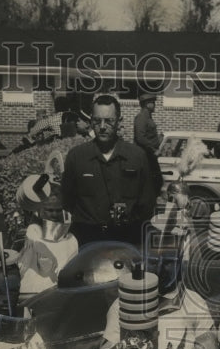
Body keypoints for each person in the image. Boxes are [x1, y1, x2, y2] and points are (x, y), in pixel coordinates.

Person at [62, 94, 156, 246]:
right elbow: (67, 201)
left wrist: (129, 216)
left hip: (126, 240)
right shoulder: (77, 157)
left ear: (119, 121)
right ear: (91, 121)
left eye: (109, 121)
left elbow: (147, 204)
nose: (103, 126)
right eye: (97, 121)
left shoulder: (137, 157)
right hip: (87, 241)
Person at [15, 174, 79, 301]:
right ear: (39, 210)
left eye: (58, 210)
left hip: (61, 295)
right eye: (49, 210)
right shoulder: (32, 234)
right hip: (32, 292)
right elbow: (21, 268)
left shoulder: (71, 239)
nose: (54, 214)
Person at [133, 92, 164, 196]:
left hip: (150, 155)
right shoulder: (141, 117)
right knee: (153, 182)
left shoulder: (148, 117)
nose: (155, 105)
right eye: (153, 103)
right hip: (146, 156)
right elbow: (140, 138)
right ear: (147, 104)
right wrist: (154, 149)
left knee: (156, 182)